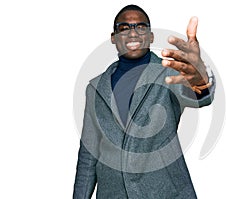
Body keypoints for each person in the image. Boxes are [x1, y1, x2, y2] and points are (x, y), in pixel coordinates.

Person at [73, 4, 215, 199]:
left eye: (141, 27)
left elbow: (200, 97)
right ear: (114, 38)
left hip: (164, 193)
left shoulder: (168, 74)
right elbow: (88, 154)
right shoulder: (96, 88)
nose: (133, 34)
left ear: (150, 36)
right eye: (124, 28)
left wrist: (200, 80)